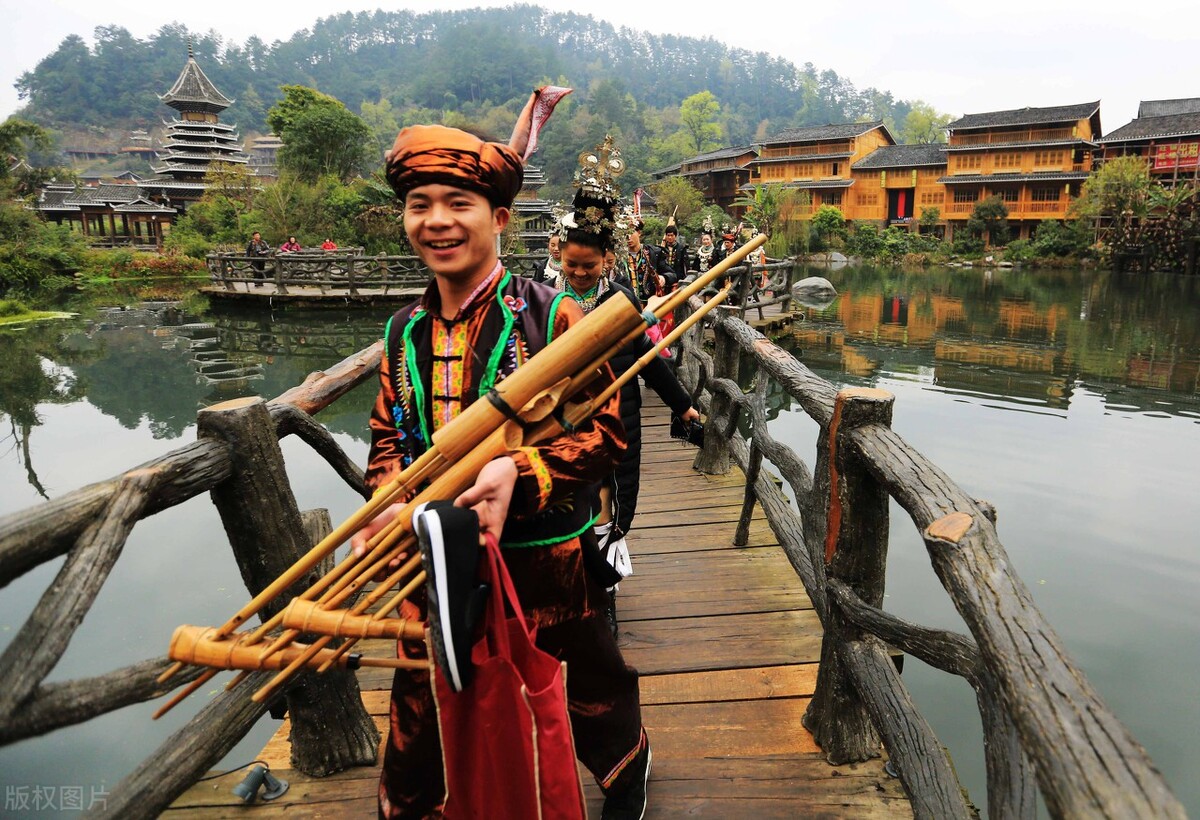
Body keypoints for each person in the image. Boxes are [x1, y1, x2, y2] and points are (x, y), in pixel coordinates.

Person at [351, 122, 651, 820]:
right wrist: (389, 498)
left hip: (542, 553)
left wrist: (524, 470)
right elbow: (388, 436)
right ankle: (419, 804)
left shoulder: (554, 316)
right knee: (423, 694)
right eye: (420, 204)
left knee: (585, 683)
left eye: (458, 202)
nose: (437, 220)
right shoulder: (402, 331)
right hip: (435, 552)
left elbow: (608, 433)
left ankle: (624, 772)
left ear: (501, 218)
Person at [551, 155, 700, 636]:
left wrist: (683, 404)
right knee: (566, 499)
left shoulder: (621, 300)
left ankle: (605, 593)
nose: (579, 273)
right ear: (559, 256)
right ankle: (572, 587)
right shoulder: (545, 301)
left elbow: (648, 360)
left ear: (607, 260)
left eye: (589, 266)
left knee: (607, 499)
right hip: (561, 419)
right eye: (571, 265)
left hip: (616, 417)